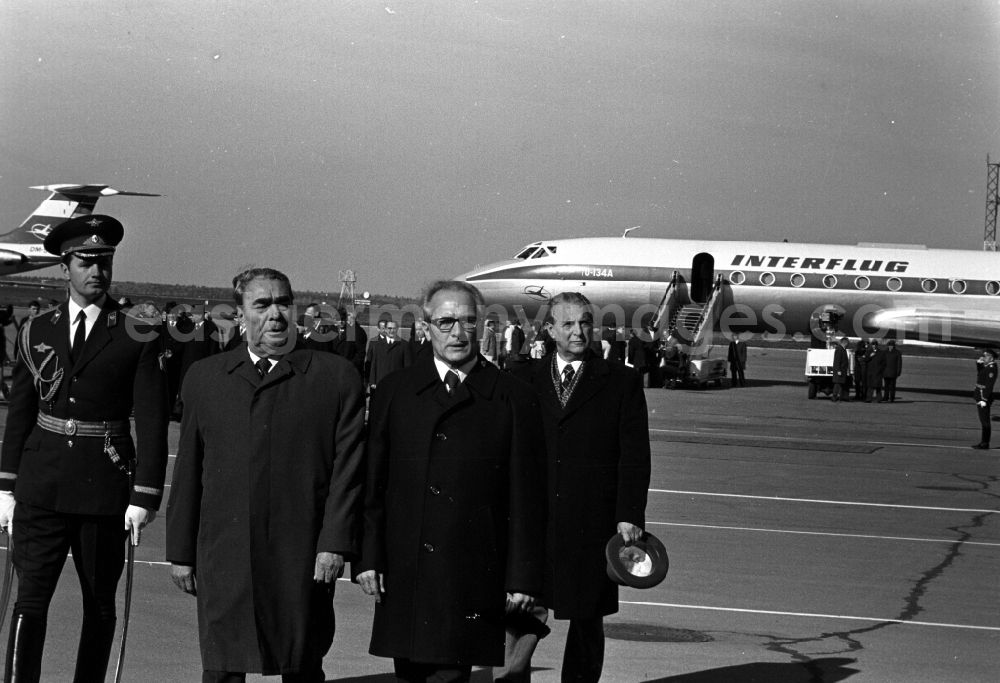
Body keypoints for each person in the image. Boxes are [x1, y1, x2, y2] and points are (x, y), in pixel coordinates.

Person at [166, 267, 366, 682]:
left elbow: (349, 469)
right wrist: (181, 551)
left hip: (302, 551)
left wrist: (333, 544)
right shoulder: (205, 378)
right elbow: (188, 470)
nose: (275, 314)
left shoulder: (333, 377)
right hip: (226, 551)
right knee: (223, 665)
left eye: (283, 303)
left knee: (301, 662)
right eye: (261, 305)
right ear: (239, 314)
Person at [0, 214, 169, 682]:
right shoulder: (37, 330)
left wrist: (145, 496)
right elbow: (20, 414)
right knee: (29, 601)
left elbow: (152, 422)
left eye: (104, 261)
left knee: (99, 606)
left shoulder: (137, 332)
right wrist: (5, 486)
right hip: (41, 489)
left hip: (103, 491)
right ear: (65, 267)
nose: (97, 271)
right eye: (86, 262)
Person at [358, 280, 545, 683]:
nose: (457, 333)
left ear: (481, 327)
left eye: (467, 321)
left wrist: (523, 576)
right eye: (445, 322)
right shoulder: (396, 392)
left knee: (451, 676)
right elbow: (374, 484)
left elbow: (527, 498)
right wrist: (368, 557)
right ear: (426, 328)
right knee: (409, 674)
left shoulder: (513, 398)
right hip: (405, 569)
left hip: (473, 571)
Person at [506, 291, 651, 683]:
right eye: (567, 324)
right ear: (550, 329)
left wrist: (629, 515)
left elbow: (635, 456)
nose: (578, 331)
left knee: (588, 619)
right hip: (534, 520)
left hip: (592, 522)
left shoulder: (620, 381)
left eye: (585, 322)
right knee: (521, 611)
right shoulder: (522, 377)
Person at [365, 320, 412, 391]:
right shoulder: (377, 344)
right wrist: (372, 381)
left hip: (396, 384)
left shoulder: (404, 345)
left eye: (394, 328)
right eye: (389, 328)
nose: (392, 331)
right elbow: (374, 364)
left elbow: (407, 366)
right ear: (386, 329)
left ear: (397, 329)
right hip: (380, 383)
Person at [971, 348, 997, 449]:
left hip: (983, 398)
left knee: (985, 422)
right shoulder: (987, 367)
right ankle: (984, 442)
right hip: (980, 396)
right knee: (983, 421)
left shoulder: (992, 368)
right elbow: (981, 375)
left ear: (991, 357)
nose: (983, 357)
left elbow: (989, 385)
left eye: (985, 356)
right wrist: (979, 364)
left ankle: (985, 443)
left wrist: (984, 399)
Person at [831, 336, 851, 402]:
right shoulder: (839, 349)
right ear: (845, 343)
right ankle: (834, 397)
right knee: (837, 384)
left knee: (840, 384)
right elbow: (837, 361)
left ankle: (840, 397)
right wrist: (838, 370)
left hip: (843, 371)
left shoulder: (843, 349)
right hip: (839, 371)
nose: (848, 344)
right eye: (848, 343)